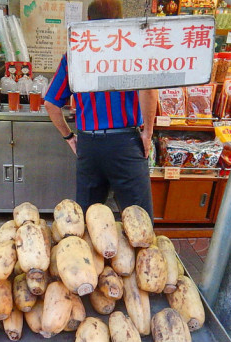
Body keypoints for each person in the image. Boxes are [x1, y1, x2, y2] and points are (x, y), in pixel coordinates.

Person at [44, 0, 157, 221]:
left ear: (88, 22)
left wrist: (69, 137)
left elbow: (51, 103)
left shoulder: (74, 56)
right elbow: (149, 93)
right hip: (126, 144)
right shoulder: (134, 52)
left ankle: (86, 255)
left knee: (86, 221)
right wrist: (148, 133)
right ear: (121, 22)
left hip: (89, 145)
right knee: (139, 220)